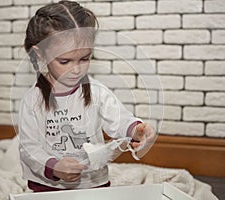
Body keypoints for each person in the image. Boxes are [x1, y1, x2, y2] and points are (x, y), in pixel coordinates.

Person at [18, 0, 156, 193]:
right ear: (40, 54)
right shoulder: (33, 100)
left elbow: (119, 120)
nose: (76, 69)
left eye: (85, 58)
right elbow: (29, 149)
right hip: (48, 187)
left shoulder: (98, 92)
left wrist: (136, 130)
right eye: (64, 61)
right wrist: (54, 167)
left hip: (93, 185)